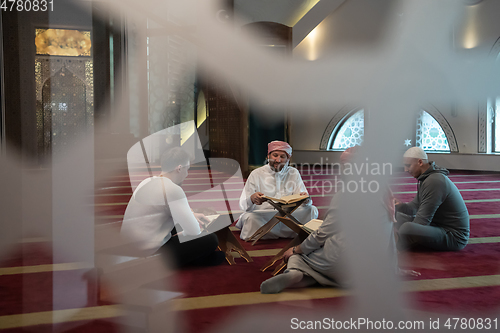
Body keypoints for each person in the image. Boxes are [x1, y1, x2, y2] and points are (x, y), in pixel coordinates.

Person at [260, 147, 411, 294]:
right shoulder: (385, 193)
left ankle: (294, 272)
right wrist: (393, 268)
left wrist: (296, 249)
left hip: (343, 261)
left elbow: (323, 233)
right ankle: (311, 277)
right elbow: (389, 233)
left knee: (299, 257)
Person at [121, 147, 225, 268]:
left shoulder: (146, 181)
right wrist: (182, 233)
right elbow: (194, 231)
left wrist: (191, 216)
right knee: (210, 239)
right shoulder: (173, 189)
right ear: (179, 168)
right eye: (187, 169)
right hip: (150, 252)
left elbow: (162, 212)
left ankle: (202, 258)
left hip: (128, 245)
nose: (187, 174)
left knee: (180, 225)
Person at [236, 141, 318, 240]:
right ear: (268, 156)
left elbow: (304, 199)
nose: (278, 160)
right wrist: (252, 198)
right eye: (275, 155)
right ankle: (292, 232)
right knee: (250, 218)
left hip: (289, 214)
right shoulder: (256, 173)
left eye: (283, 157)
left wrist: (305, 199)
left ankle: (269, 234)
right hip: (264, 215)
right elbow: (244, 204)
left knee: (312, 210)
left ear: (288, 159)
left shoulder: (293, 172)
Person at [394, 147, 469, 251]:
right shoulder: (426, 179)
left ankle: (394, 246)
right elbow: (414, 208)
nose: (405, 170)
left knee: (407, 229)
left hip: (453, 236)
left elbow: (421, 222)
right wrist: (399, 206)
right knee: (396, 215)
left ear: (420, 162)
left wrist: (403, 233)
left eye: (408, 165)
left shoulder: (434, 181)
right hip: (437, 226)